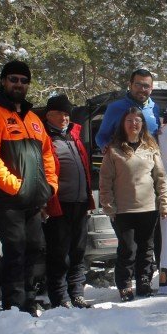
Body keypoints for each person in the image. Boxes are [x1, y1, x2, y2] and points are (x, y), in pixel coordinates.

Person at [0, 60, 58, 316]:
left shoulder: (33, 119)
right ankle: (14, 305)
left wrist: (50, 185)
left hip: (33, 198)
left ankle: (29, 299)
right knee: (15, 250)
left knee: (34, 248)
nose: (18, 84)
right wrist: (15, 185)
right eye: (13, 79)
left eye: (23, 81)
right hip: (8, 199)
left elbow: (47, 154)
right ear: (3, 82)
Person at [99, 107, 167, 301]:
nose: (134, 124)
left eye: (137, 121)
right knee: (128, 249)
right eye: (129, 120)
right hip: (123, 210)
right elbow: (105, 180)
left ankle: (144, 282)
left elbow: (160, 177)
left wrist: (164, 203)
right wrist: (108, 206)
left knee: (146, 248)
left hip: (148, 208)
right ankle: (124, 285)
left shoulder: (151, 147)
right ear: (123, 124)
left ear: (142, 124)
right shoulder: (113, 150)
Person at [42, 94, 94, 309]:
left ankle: (77, 293)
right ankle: (60, 296)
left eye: (66, 114)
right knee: (59, 253)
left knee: (78, 251)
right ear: (49, 115)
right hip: (58, 204)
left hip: (80, 202)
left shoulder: (74, 135)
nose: (64, 118)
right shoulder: (44, 137)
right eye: (59, 114)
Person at [95, 68, 161, 148]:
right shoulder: (115, 107)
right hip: (123, 154)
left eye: (146, 86)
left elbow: (157, 135)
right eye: (138, 85)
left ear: (151, 88)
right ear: (130, 85)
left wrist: (166, 130)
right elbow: (101, 137)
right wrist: (107, 148)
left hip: (149, 154)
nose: (142, 89)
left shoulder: (155, 108)